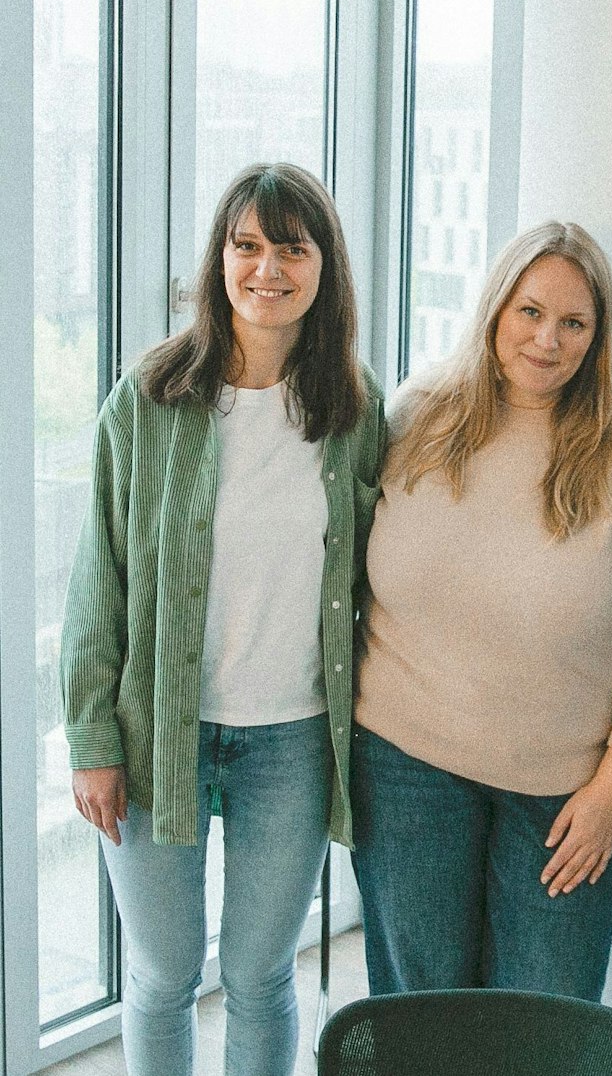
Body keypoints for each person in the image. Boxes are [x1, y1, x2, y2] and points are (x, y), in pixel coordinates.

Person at [62, 162, 384, 1076]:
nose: (267, 268)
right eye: (247, 245)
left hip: (290, 739)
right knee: (163, 974)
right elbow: (99, 578)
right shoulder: (150, 398)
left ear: (324, 267)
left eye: (292, 247)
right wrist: (92, 738)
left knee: (258, 972)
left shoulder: (352, 407)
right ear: (220, 259)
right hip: (156, 730)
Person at [350, 220, 612, 1000]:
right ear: (495, 310)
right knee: (420, 1008)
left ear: (596, 335)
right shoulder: (416, 415)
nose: (547, 340)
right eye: (530, 312)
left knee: (544, 1017)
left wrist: (611, 793)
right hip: (404, 762)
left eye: (573, 322)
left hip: (563, 791)